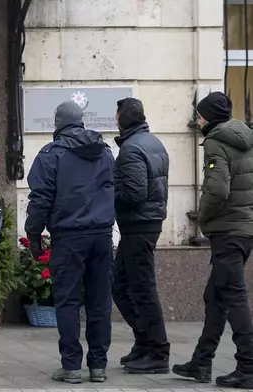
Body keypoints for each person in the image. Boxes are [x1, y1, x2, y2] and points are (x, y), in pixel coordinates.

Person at [25, 101, 115, 384]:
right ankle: (98, 366)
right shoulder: (105, 152)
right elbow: (116, 189)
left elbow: (40, 199)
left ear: (58, 123)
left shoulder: (51, 155)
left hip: (69, 237)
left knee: (67, 302)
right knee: (100, 302)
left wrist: (34, 235)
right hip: (102, 235)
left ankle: (72, 366)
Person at [173, 92, 253, 389]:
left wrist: (204, 218)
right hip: (244, 230)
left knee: (234, 299)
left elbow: (217, 190)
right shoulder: (246, 137)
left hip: (228, 232)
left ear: (209, 116)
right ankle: (201, 362)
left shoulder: (217, 141)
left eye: (200, 114)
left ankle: (248, 367)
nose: (198, 119)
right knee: (216, 296)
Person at [111, 98, 171, 374]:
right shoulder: (151, 142)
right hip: (144, 223)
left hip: (139, 225)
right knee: (121, 284)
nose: (115, 121)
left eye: (117, 116)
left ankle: (157, 351)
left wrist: (107, 197)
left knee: (141, 288)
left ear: (123, 119)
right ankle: (144, 342)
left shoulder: (132, 149)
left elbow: (134, 194)